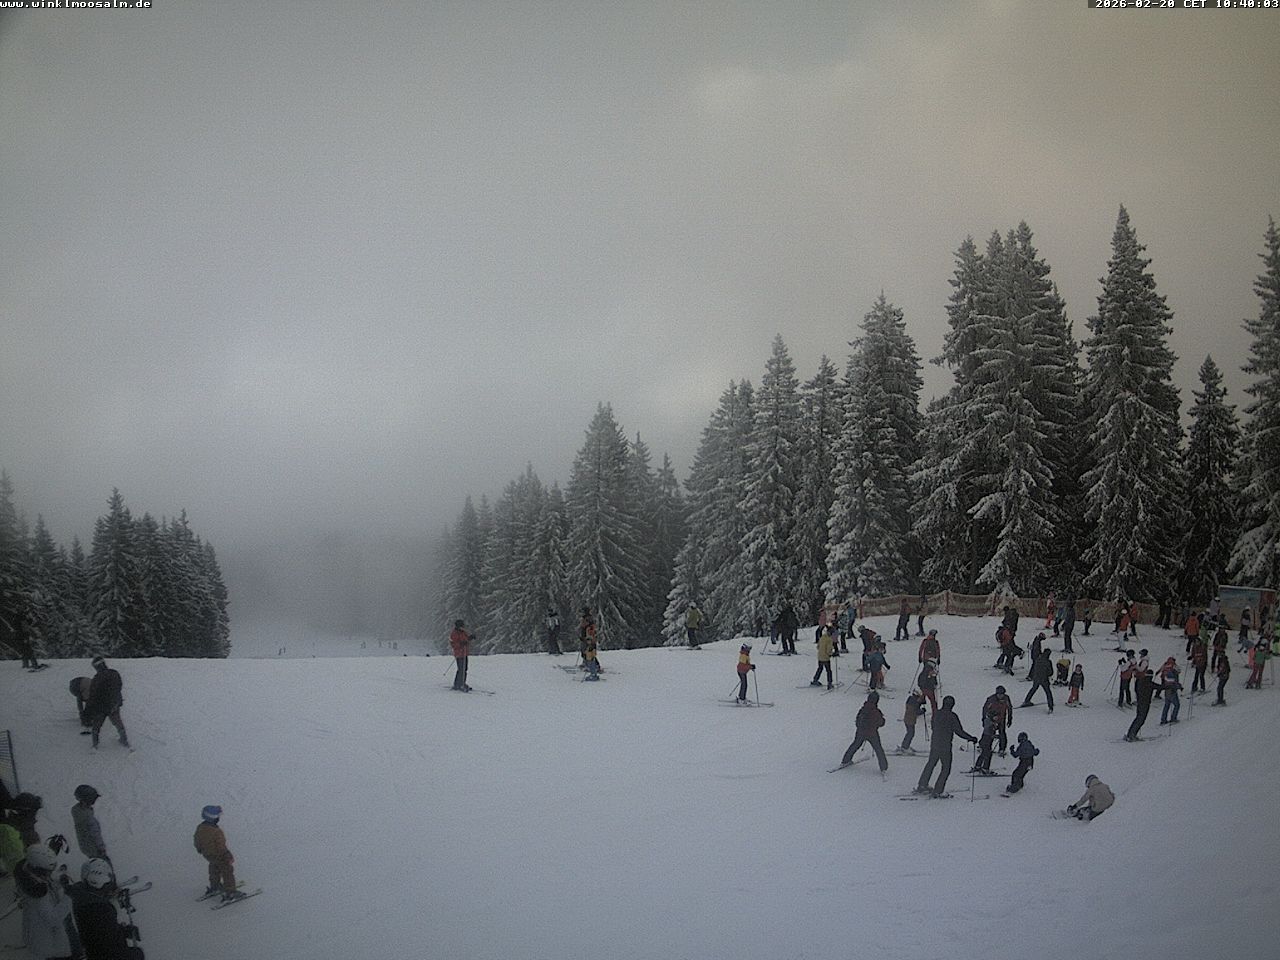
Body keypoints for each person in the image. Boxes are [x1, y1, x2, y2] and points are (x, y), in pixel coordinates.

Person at [69, 858, 143, 960]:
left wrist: (122, 931)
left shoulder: (83, 898)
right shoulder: (98, 908)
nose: (108, 888)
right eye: (107, 883)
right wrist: (132, 955)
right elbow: (105, 949)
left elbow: (102, 934)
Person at [14, 842, 77, 960]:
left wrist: (59, 881)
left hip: (42, 939)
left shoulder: (29, 876)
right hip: (48, 944)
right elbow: (53, 919)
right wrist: (68, 896)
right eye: (49, 871)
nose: (51, 873)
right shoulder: (38, 894)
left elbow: (48, 885)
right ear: (39, 870)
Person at [914, 695, 978, 798]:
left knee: (931, 764)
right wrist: (971, 738)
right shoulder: (952, 716)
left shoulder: (937, 713)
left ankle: (922, 785)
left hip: (935, 743)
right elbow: (959, 731)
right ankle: (938, 790)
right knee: (946, 768)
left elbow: (933, 726)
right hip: (945, 746)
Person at [194, 805, 246, 902]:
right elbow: (221, 846)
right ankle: (231, 892)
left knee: (214, 868)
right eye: (218, 816)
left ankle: (215, 886)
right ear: (214, 818)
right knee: (227, 871)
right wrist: (227, 855)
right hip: (220, 855)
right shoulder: (216, 832)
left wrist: (199, 849)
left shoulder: (200, 827)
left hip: (208, 854)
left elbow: (196, 840)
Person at [86, 657, 129, 750]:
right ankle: (124, 740)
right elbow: (119, 686)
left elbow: (93, 694)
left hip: (101, 706)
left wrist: (89, 708)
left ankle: (95, 744)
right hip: (114, 704)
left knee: (96, 726)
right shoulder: (114, 673)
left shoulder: (97, 678)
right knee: (118, 723)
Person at [841, 691, 890, 772]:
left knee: (855, 745)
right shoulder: (876, 711)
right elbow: (881, 723)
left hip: (860, 732)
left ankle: (846, 760)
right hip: (872, 734)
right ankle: (883, 767)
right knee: (878, 749)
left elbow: (857, 720)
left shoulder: (863, 709)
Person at [72, 784, 108, 861]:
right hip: (95, 851)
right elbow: (95, 834)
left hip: (88, 849)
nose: (93, 803)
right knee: (105, 866)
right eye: (92, 800)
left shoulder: (79, 812)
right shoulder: (87, 817)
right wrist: (101, 849)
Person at [1125, 669, 1162, 741]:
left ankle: (1130, 733)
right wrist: (1172, 686)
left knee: (1138, 718)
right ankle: (1132, 735)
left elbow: (1136, 689)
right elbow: (1160, 687)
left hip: (1140, 703)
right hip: (1145, 704)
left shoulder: (1140, 681)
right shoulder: (1149, 683)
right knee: (1141, 719)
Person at [1021, 647, 1055, 713]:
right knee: (1048, 692)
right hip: (1044, 679)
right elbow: (1051, 672)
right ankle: (1050, 707)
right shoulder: (1048, 661)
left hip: (1036, 678)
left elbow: (1034, 668)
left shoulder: (1037, 659)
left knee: (1033, 689)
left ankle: (1027, 700)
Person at [449, 619, 472, 692]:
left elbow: (466, 640)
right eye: (461, 626)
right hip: (459, 654)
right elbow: (453, 644)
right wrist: (461, 644)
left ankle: (462, 683)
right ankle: (457, 684)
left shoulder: (463, 632)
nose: (463, 627)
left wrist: (470, 638)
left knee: (465, 669)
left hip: (464, 653)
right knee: (461, 669)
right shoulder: (454, 633)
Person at [1158, 658, 1182, 724]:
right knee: (1177, 705)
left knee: (1167, 705)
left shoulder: (1166, 670)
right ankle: (1173, 718)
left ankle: (1163, 719)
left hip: (1167, 691)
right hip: (1172, 691)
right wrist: (1179, 686)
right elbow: (1173, 682)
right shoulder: (1172, 673)